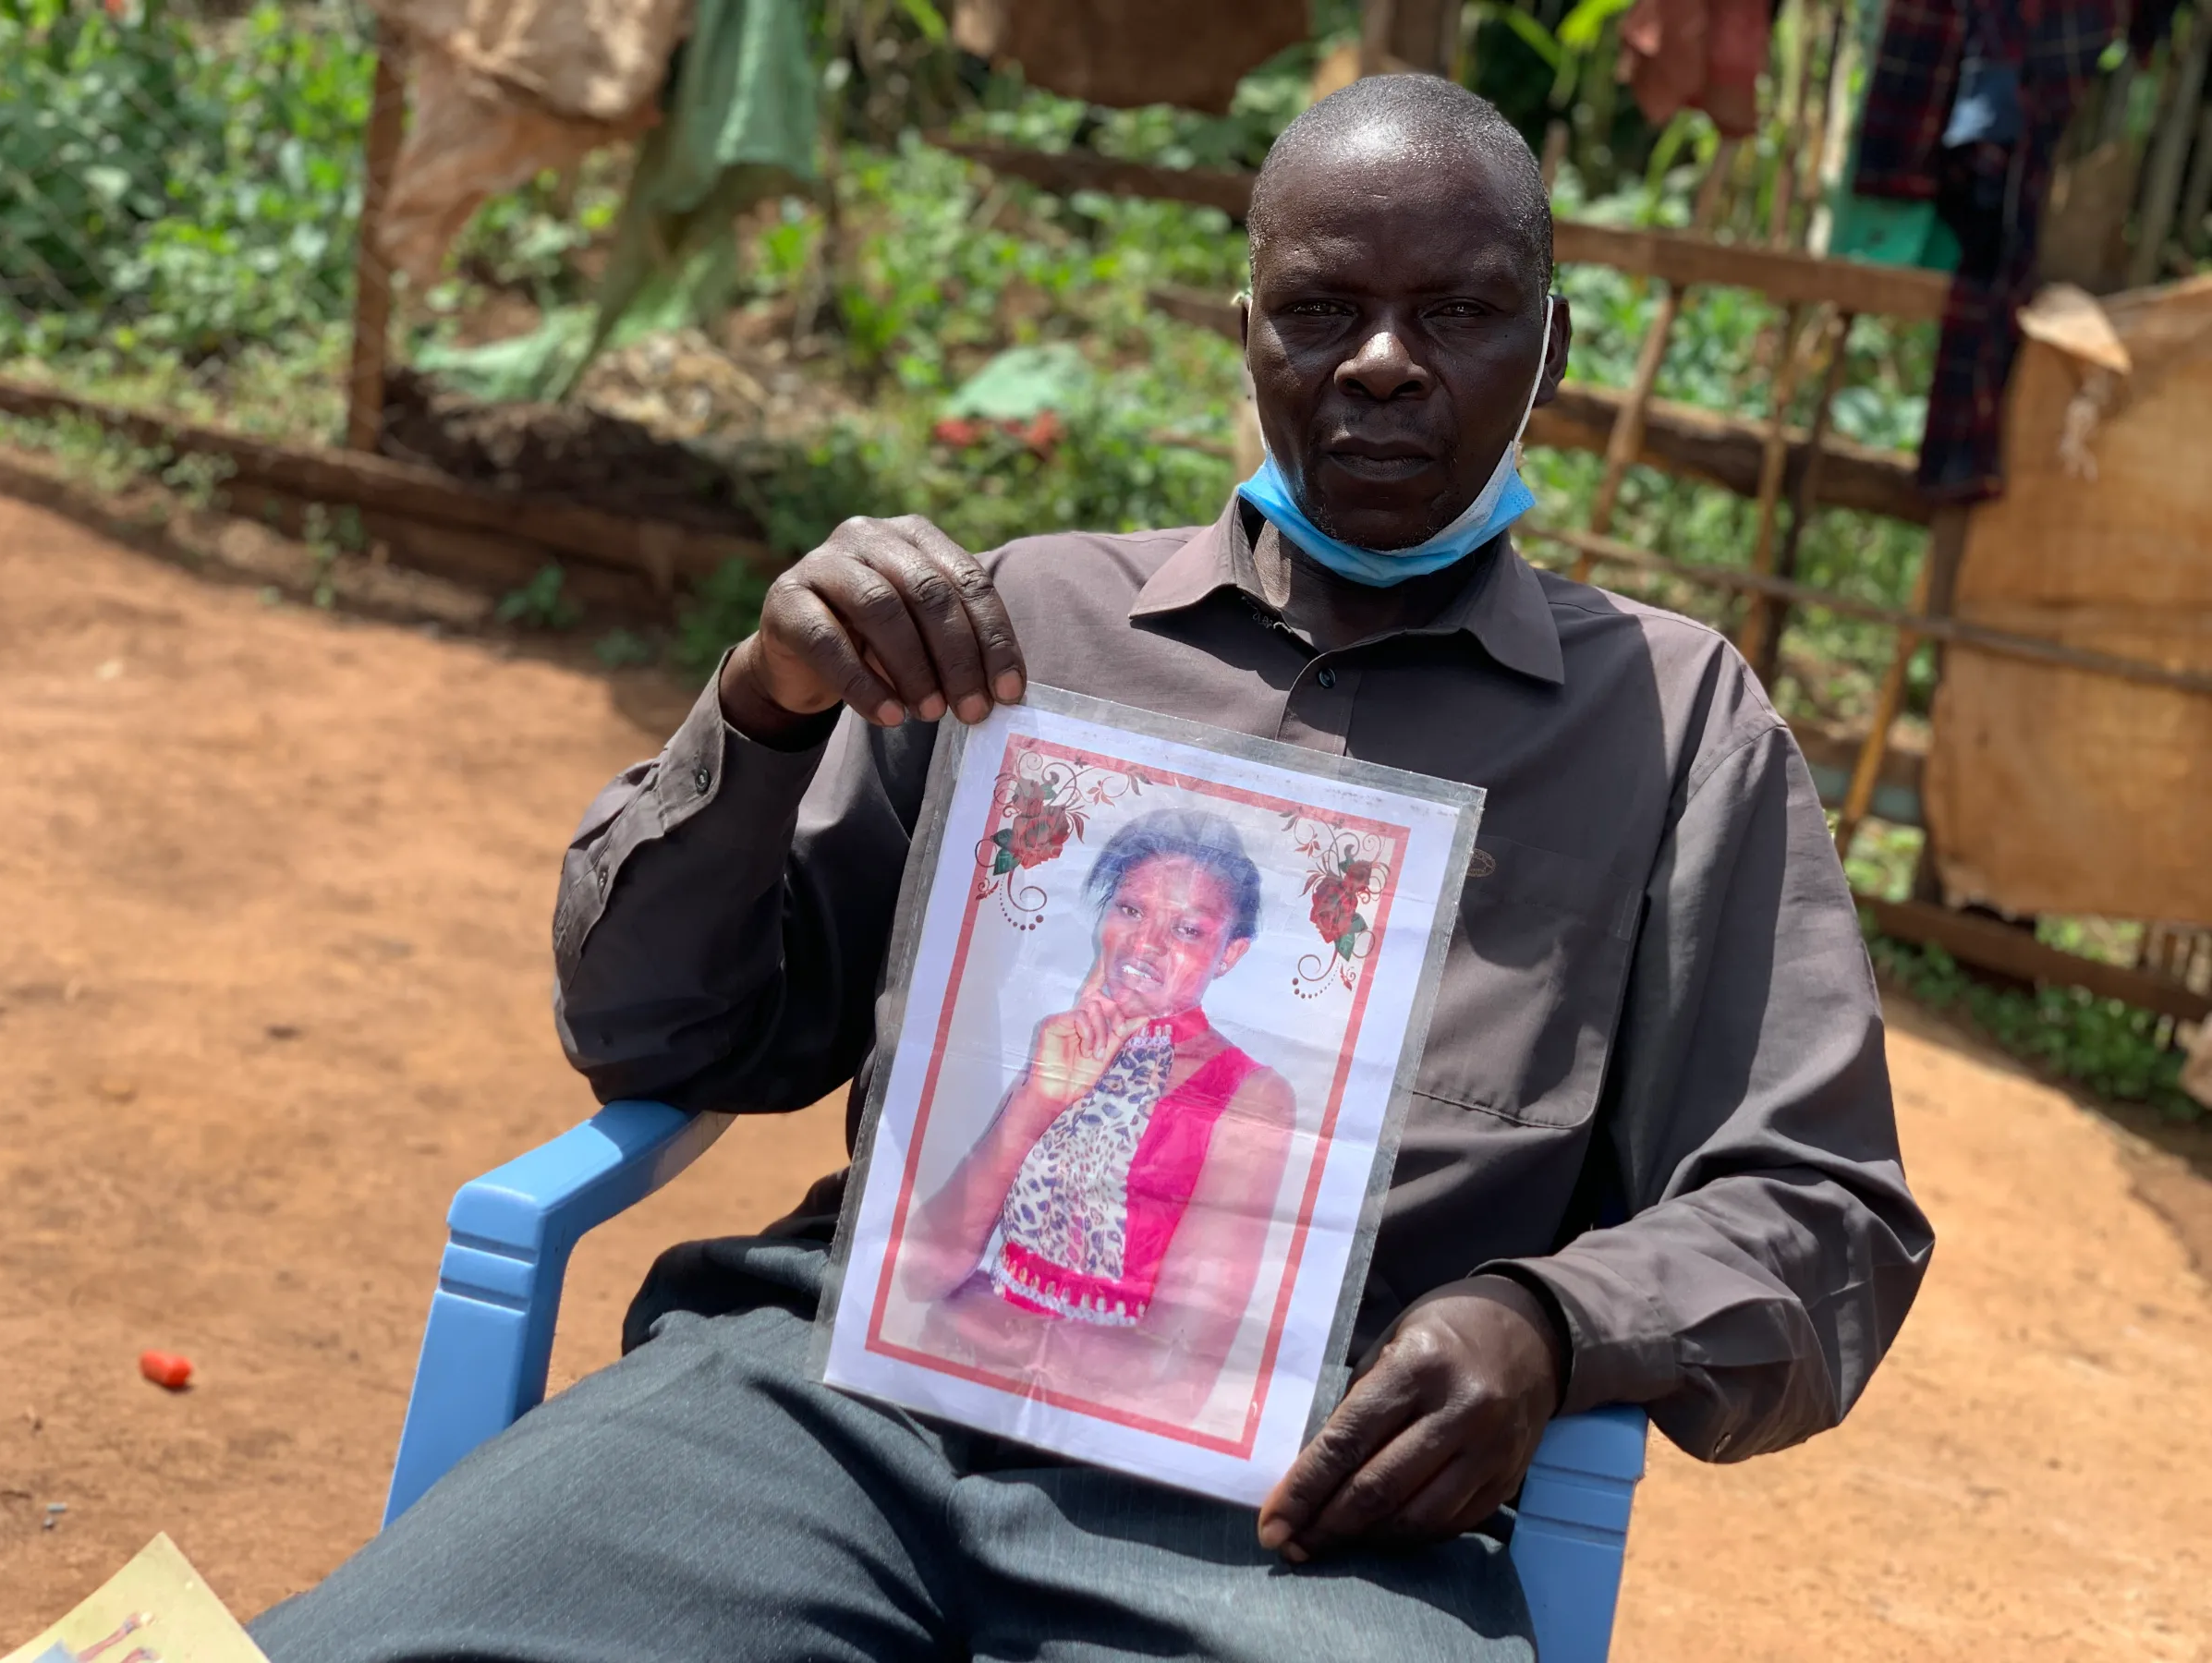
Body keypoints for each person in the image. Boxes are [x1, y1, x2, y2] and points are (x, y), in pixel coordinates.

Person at [252, 74, 1932, 1662]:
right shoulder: (1015, 630)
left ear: (1552, 348)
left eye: (1464, 312)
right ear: (1246, 330)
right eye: (1322, 310)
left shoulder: (1671, 723)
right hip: (839, 1408)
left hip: (1298, 1518)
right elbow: (662, 1042)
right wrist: (762, 709)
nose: (1384, 366)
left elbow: (1820, 1208)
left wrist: (1551, 1323)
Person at [898, 810, 1296, 1419]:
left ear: (1230, 954)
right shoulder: (1060, 1042)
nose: (1144, 945)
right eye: (1131, 910)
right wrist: (1041, 1100)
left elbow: (1180, 1369)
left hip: (1085, 1439)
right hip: (939, 1392)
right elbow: (919, 1275)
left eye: (1187, 929)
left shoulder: (1248, 1094)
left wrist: (989, 1326)